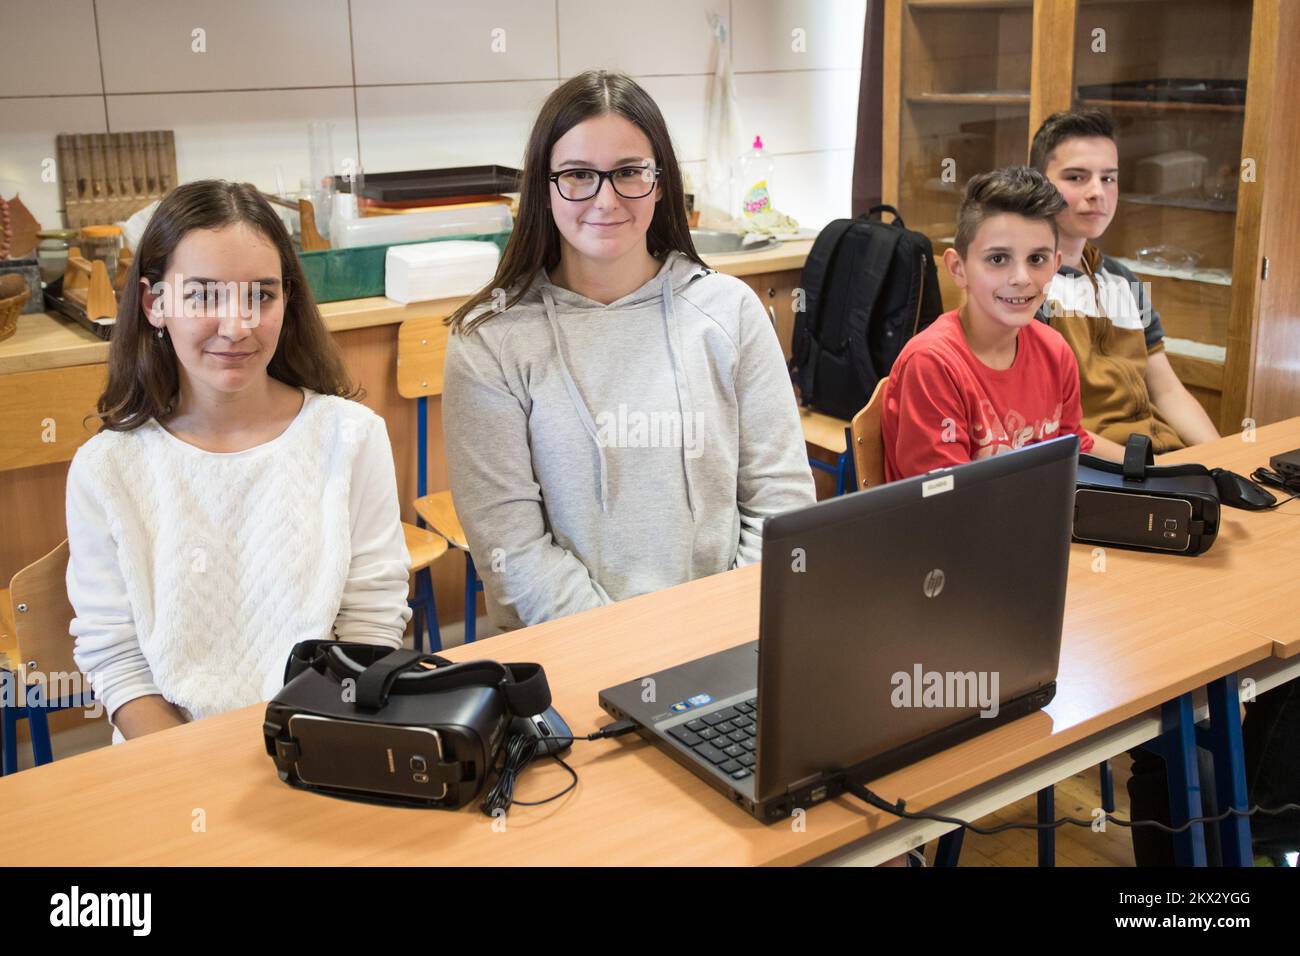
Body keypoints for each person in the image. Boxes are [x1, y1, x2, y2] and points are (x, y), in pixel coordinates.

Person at [443, 70, 814, 631]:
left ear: (661, 181)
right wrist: (627, 649)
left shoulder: (730, 311)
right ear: (544, 187)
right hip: (572, 652)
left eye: (628, 172)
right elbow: (513, 553)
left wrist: (730, 625)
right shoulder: (489, 340)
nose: (605, 197)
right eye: (578, 175)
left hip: (729, 639)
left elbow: (780, 499)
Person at [66, 180, 412, 742]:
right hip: (169, 760)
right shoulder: (105, 469)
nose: (237, 325)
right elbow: (117, 657)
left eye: (262, 295)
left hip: (321, 736)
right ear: (156, 305)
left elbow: (370, 618)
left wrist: (302, 744)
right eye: (203, 295)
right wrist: (192, 769)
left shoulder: (350, 437)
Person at [881, 165, 1093, 481]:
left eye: (1037, 259)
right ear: (958, 267)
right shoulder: (932, 364)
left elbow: (1076, 460)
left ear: (1056, 266)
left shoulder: (1056, 351)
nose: (1021, 278)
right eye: (998, 259)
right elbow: (946, 504)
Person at [1030, 108, 1221, 457]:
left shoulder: (1122, 281)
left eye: (1108, 178)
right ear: (1039, 183)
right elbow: (1046, 426)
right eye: (1076, 177)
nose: (1097, 192)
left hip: (1156, 456)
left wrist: (1220, 460)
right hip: (1095, 471)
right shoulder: (1025, 289)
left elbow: (1166, 391)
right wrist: (1149, 474)